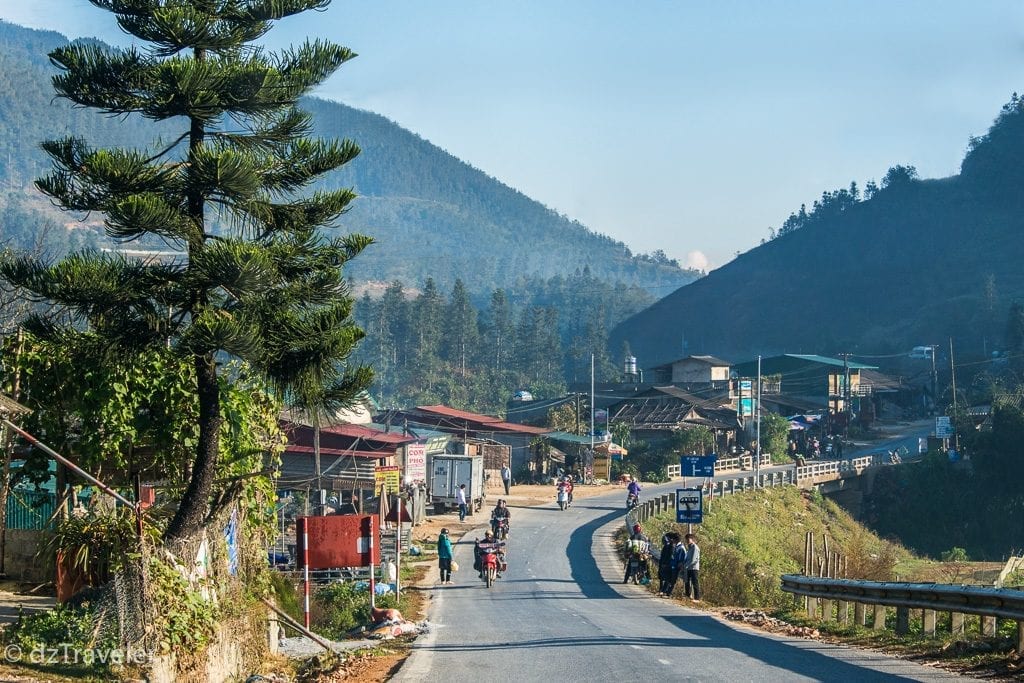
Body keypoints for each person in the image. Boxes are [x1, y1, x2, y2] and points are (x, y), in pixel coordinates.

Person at [682, 533, 701, 601]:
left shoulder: (695, 547)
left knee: (695, 582)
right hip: (688, 567)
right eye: (686, 539)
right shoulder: (689, 548)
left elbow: (693, 560)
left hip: (694, 568)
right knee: (687, 581)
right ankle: (688, 595)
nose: (687, 540)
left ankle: (697, 598)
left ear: (692, 539)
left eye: (688, 539)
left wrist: (686, 565)